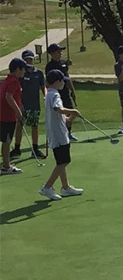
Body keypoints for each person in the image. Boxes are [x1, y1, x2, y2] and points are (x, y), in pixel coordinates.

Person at [38, 69, 84, 200]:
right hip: (58, 134)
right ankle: (47, 187)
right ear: (57, 81)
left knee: (61, 161)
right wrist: (73, 110)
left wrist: (72, 117)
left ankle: (65, 188)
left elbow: (63, 118)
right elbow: (58, 109)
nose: (64, 82)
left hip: (57, 132)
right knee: (63, 162)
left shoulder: (49, 94)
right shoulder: (54, 95)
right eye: (62, 80)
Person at [11, 50, 47, 160]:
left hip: (34, 104)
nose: (29, 61)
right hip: (22, 104)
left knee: (34, 126)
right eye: (27, 60)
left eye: (30, 59)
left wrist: (46, 95)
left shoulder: (39, 73)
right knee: (19, 126)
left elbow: (43, 86)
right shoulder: (21, 73)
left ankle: (35, 149)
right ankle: (17, 149)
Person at [1, 58, 30, 175]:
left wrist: (20, 107)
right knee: (7, 141)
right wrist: (18, 112)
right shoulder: (14, 82)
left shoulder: (7, 80)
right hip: (8, 116)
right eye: (23, 69)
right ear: (17, 69)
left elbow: (15, 97)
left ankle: (6, 164)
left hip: (4, 115)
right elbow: (9, 97)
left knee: (5, 140)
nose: (24, 72)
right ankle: (6, 166)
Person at [45, 43, 78, 141]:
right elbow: (49, 81)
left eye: (61, 51)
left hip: (65, 91)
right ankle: (62, 133)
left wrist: (72, 90)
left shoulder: (63, 63)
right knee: (60, 112)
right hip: (56, 92)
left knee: (69, 110)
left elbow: (67, 77)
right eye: (58, 52)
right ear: (51, 54)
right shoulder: (50, 66)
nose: (60, 53)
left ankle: (68, 133)